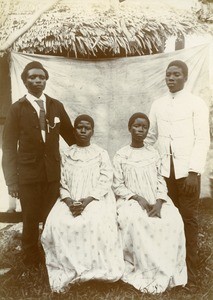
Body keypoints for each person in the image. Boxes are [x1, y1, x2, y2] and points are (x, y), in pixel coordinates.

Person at [2, 61, 75, 268]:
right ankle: (30, 263)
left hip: (52, 175)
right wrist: (12, 182)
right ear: (25, 81)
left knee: (52, 219)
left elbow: (70, 136)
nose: (37, 80)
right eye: (32, 77)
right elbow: (8, 147)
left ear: (46, 80)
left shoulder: (55, 106)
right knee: (31, 220)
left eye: (41, 77)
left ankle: (53, 259)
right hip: (28, 176)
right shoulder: (17, 109)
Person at [41, 114, 124, 293]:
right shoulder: (67, 154)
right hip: (70, 198)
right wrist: (70, 201)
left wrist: (87, 201)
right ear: (74, 130)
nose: (83, 131)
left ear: (92, 131)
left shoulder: (100, 153)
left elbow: (105, 180)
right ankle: (70, 266)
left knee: (95, 221)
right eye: (79, 127)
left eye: (87, 128)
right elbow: (62, 182)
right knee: (57, 222)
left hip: (95, 198)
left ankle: (94, 268)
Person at [146, 60, 210, 290]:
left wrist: (194, 172)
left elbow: (202, 139)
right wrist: (136, 153)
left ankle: (191, 272)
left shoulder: (196, 104)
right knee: (167, 219)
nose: (171, 78)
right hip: (165, 173)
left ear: (185, 77)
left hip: (187, 173)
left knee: (188, 219)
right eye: (168, 74)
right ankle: (170, 267)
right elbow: (151, 136)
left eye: (176, 74)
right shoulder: (158, 104)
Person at [113, 112, 187, 294]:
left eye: (144, 127)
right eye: (137, 126)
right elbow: (117, 184)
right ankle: (144, 269)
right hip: (131, 199)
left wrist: (160, 202)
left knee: (173, 219)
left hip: (155, 197)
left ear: (147, 131)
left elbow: (161, 181)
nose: (140, 129)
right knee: (137, 221)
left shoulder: (154, 153)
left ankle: (166, 268)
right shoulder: (121, 155)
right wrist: (138, 198)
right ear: (129, 128)